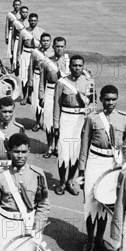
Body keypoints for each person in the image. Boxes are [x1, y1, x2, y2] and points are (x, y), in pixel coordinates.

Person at [78, 85, 126, 251]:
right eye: (107, 99)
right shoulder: (92, 118)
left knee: (105, 202)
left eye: (113, 99)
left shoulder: (125, 118)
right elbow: (85, 143)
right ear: (101, 99)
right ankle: (89, 239)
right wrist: (82, 169)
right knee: (90, 201)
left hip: (113, 163)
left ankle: (99, 239)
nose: (110, 102)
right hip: (95, 162)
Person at [52, 54, 95, 195]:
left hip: (81, 120)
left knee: (76, 152)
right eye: (74, 65)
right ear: (70, 67)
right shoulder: (62, 83)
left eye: (80, 65)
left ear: (83, 67)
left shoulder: (89, 82)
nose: (77, 68)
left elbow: (93, 104)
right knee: (64, 152)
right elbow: (57, 105)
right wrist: (56, 125)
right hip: (66, 118)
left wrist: (90, 124)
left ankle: (71, 181)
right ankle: (62, 182)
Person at [38, 36, 69, 157]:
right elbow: (42, 80)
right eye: (57, 46)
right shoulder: (47, 62)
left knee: (61, 121)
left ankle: (58, 146)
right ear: (53, 47)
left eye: (62, 46)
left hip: (64, 94)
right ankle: (50, 146)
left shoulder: (68, 62)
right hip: (50, 92)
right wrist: (41, 96)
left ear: (65, 47)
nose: (59, 49)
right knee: (49, 121)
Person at [27, 32, 53, 131]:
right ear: (40, 41)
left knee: (48, 102)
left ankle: (48, 123)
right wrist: (30, 81)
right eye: (43, 41)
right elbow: (30, 67)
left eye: (47, 41)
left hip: (49, 81)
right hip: (38, 78)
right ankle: (38, 122)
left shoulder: (53, 53)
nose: (45, 43)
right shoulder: (35, 53)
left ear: (50, 42)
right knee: (38, 102)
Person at [17, 13, 43, 94]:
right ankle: (25, 94)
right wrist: (18, 58)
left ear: (37, 21)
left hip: (35, 55)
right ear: (28, 21)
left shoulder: (41, 32)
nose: (33, 22)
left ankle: (31, 95)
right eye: (31, 20)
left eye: (35, 21)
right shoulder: (23, 32)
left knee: (33, 75)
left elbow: (42, 47)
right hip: (25, 54)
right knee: (23, 75)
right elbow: (19, 47)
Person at [11, 5, 29, 71]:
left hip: (26, 43)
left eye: (26, 12)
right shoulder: (16, 22)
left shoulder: (29, 22)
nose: (25, 13)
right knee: (15, 56)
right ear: (20, 13)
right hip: (18, 40)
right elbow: (13, 35)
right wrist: (12, 46)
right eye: (23, 12)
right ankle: (15, 69)